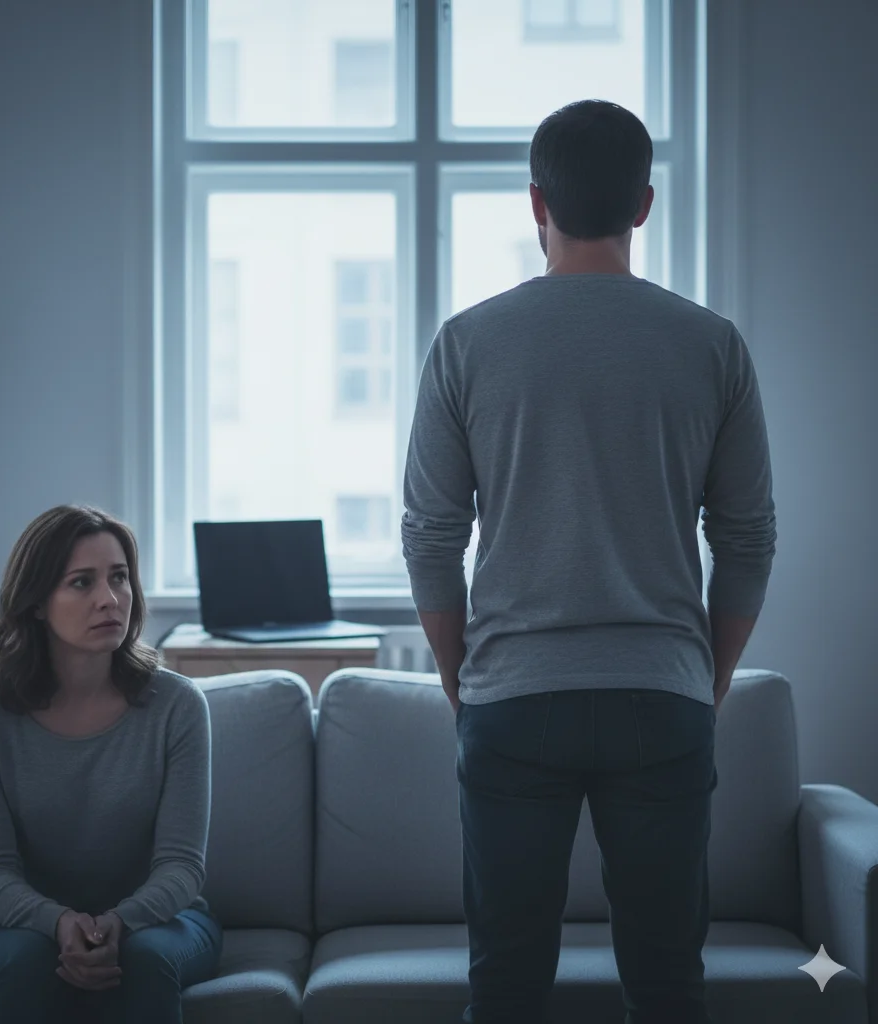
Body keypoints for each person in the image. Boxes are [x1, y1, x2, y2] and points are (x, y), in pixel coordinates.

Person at [402, 99, 777, 1024]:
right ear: (644, 205)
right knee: (666, 978)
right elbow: (748, 538)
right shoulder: (712, 345)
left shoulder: (468, 343)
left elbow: (429, 535)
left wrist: (461, 677)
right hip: (663, 694)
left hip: (514, 697)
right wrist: (705, 677)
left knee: (507, 980)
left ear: (537, 202)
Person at [0, 504, 223, 1024]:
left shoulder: (177, 705)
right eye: (82, 583)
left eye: (119, 578)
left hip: (160, 922)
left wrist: (120, 922)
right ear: (35, 602)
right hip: (20, 927)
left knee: (145, 958)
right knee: (27, 962)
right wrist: (58, 924)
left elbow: (182, 866)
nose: (109, 599)